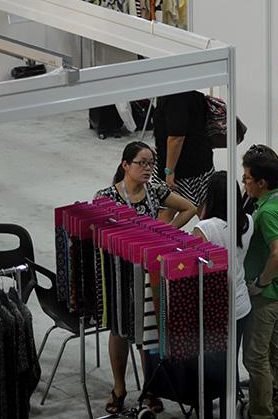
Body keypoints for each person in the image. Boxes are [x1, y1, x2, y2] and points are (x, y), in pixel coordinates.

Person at [95, 141, 196, 415]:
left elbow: (190, 208)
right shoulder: (106, 198)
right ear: (125, 165)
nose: (148, 168)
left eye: (151, 163)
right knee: (119, 331)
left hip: (148, 275)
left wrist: (163, 233)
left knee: (147, 334)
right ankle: (119, 389)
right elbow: (96, 236)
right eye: (142, 163)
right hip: (118, 276)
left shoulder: (155, 190)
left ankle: (150, 387)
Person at [242, 145, 278, 419]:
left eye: (247, 179)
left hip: (267, 297)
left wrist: (261, 282)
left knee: (255, 358)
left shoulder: (266, 213)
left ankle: (261, 413)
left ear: (261, 182)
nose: (245, 184)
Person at [193, 171, 254, 359]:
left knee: (214, 364)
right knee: (231, 360)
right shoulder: (248, 221)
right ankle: (233, 388)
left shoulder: (204, 228)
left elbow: (197, 270)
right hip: (241, 301)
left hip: (214, 306)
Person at [153, 90, 215, 207]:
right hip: (197, 162)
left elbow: (176, 138)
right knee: (203, 208)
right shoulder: (192, 93)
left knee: (165, 211)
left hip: (181, 169)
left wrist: (169, 171)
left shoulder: (175, 98)